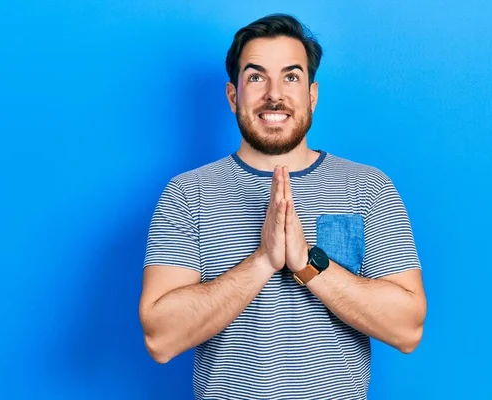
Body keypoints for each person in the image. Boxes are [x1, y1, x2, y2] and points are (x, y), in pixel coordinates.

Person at [139, 13, 426, 400]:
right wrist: (263, 262)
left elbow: (407, 329)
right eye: (256, 77)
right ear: (232, 95)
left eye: (291, 76)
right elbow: (161, 337)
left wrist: (307, 262)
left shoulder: (367, 187)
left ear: (312, 94)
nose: (274, 94)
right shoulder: (188, 194)